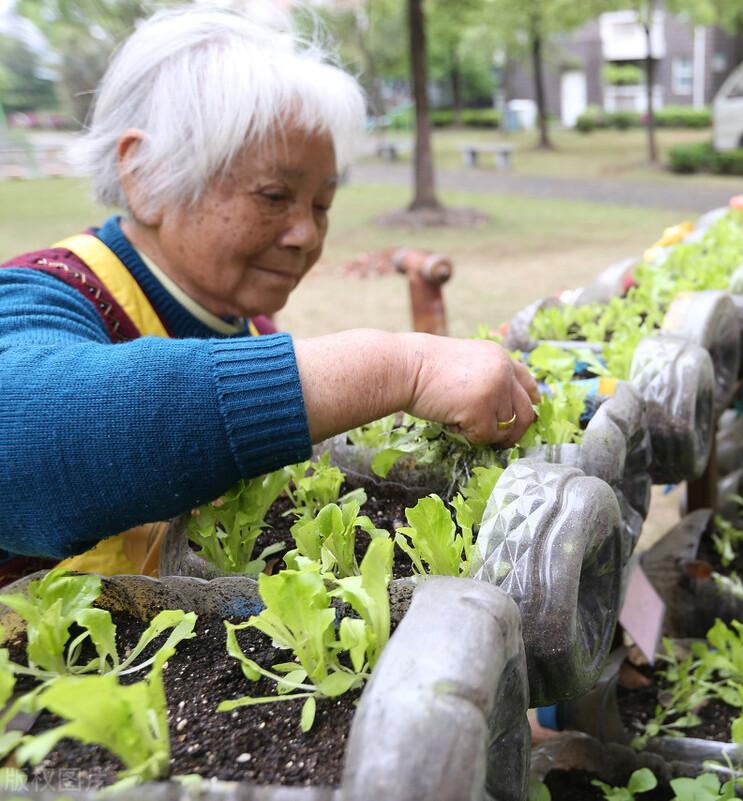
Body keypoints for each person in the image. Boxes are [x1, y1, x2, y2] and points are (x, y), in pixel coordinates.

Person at [0, 8, 538, 575]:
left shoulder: (247, 324)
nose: (307, 234)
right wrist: (396, 367)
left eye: (322, 205)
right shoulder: (40, 295)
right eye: (275, 196)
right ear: (147, 177)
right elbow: (19, 434)